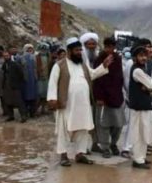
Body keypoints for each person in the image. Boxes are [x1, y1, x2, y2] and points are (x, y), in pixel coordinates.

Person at [48, 37, 113, 166]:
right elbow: (52, 83)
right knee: (64, 130)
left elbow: (93, 74)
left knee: (83, 129)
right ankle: (63, 155)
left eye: (80, 50)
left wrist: (103, 66)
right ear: (69, 51)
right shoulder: (59, 65)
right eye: (76, 50)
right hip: (67, 104)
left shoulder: (83, 64)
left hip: (83, 104)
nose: (79, 52)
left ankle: (80, 154)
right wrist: (52, 99)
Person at [93, 37, 126, 158]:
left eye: (112, 47)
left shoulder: (118, 59)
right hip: (103, 98)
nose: (109, 49)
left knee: (118, 124)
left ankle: (113, 144)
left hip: (117, 96)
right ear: (104, 46)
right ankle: (105, 147)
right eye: (107, 47)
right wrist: (99, 97)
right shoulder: (99, 59)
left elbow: (120, 77)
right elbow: (96, 79)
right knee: (103, 124)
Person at [125, 46, 152, 169]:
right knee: (138, 133)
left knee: (144, 132)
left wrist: (150, 87)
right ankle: (137, 160)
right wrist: (150, 86)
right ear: (134, 58)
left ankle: (141, 158)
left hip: (144, 105)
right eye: (140, 56)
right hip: (138, 107)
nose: (143, 58)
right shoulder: (137, 71)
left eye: (145, 56)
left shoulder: (142, 69)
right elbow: (151, 84)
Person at [80, 32, 100, 153]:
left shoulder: (98, 57)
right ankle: (83, 146)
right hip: (84, 93)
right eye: (89, 44)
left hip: (96, 93)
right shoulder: (80, 59)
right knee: (84, 120)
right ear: (85, 45)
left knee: (95, 120)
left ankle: (95, 143)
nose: (92, 46)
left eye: (93, 44)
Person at [3, 46, 28, 123]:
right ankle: (11, 116)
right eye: (4, 56)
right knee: (8, 101)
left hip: (15, 85)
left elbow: (21, 74)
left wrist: (18, 83)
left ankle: (23, 116)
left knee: (19, 101)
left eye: (7, 56)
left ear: (10, 56)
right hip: (7, 85)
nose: (6, 57)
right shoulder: (4, 64)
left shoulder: (15, 64)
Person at [21, 44, 39, 117]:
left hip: (33, 80)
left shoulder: (35, 57)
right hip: (25, 80)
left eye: (31, 49)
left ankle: (32, 112)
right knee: (25, 97)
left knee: (33, 97)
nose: (29, 51)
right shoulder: (21, 57)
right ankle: (25, 112)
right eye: (28, 49)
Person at [36, 43, 52, 115]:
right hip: (39, 78)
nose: (43, 50)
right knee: (39, 93)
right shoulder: (36, 57)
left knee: (46, 94)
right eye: (42, 49)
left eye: (44, 49)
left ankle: (44, 108)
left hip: (47, 78)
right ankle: (37, 109)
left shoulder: (49, 57)